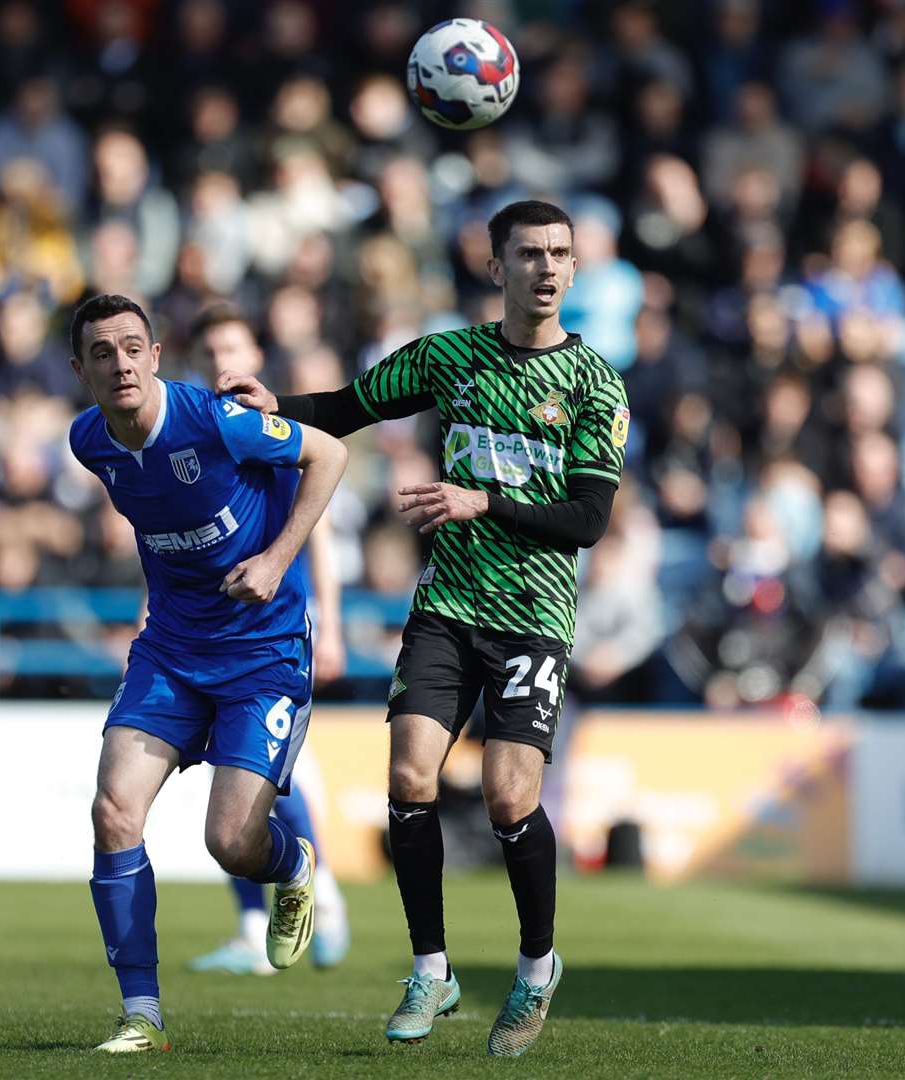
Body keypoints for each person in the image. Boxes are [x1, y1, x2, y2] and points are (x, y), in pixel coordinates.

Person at [217, 200, 627, 1057]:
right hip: (448, 605)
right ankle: (432, 970)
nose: (547, 269)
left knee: (513, 794)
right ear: (496, 268)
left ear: (576, 269)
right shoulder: (452, 357)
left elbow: (588, 519)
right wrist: (271, 404)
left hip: (533, 618)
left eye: (560, 254)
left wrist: (484, 501)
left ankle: (535, 967)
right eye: (529, 255)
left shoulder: (596, 384)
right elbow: (347, 405)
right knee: (410, 777)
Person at [67, 294, 348, 1053]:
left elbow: (331, 454)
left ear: (156, 356)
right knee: (112, 812)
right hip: (171, 651)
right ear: (81, 369)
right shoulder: (88, 441)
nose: (120, 363)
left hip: (263, 651)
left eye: (133, 347)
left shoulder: (215, 419)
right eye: (102, 352)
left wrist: (277, 558)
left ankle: (291, 865)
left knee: (231, 842)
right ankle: (141, 1015)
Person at [185, 306, 350, 976]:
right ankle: (256, 926)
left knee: (271, 778)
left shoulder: (282, 431)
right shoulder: (197, 428)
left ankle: (322, 892)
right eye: (213, 350)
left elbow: (324, 538)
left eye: (235, 345)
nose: (225, 360)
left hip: (278, 630)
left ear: (257, 350)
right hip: (211, 631)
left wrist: (331, 625)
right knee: (234, 780)